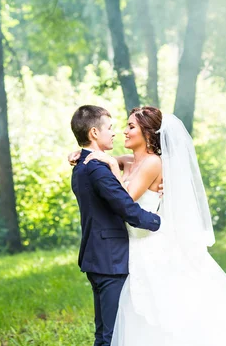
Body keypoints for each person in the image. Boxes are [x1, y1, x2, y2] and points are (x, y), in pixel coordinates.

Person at [70, 106, 226, 345]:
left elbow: (125, 199)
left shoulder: (152, 163)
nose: (123, 131)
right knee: (134, 316)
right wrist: (81, 154)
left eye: (131, 127)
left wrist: (112, 167)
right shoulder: (130, 161)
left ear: (148, 134)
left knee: (168, 312)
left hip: (148, 240)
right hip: (130, 245)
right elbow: (104, 160)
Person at [69, 105, 161, 346]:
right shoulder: (100, 167)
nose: (118, 132)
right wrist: (159, 221)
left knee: (109, 332)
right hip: (112, 258)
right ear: (94, 133)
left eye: (129, 126)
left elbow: (124, 193)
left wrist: (86, 155)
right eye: (110, 128)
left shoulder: (88, 165)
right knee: (113, 334)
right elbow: (127, 207)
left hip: (109, 254)